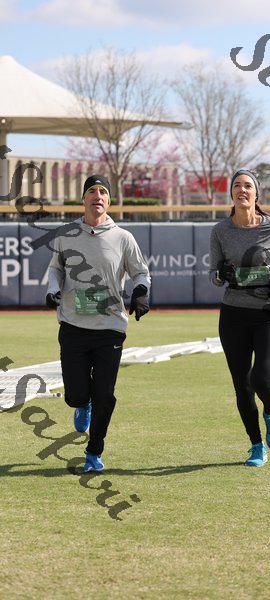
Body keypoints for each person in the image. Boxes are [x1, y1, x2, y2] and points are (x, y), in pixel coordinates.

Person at [45, 174, 151, 472]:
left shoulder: (123, 237)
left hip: (110, 328)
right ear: (84, 199)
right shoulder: (66, 235)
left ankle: (94, 452)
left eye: (103, 192)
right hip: (73, 327)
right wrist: (52, 290)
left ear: (109, 201)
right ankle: (82, 404)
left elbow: (140, 272)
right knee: (76, 395)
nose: (98, 196)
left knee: (105, 395)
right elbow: (55, 270)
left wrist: (141, 292)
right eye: (92, 191)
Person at [209, 168, 270, 467]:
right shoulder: (220, 231)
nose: (242, 190)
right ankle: (257, 446)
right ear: (231, 194)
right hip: (234, 314)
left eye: (248, 186)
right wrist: (221, 274)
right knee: (242, 384)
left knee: (262, 378)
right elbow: (213, 275)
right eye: (237, 186)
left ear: (256, 193)